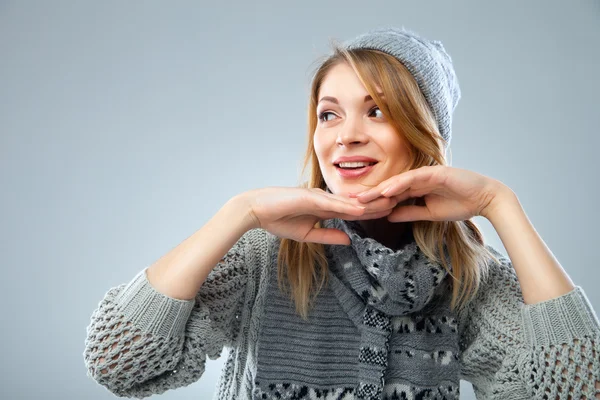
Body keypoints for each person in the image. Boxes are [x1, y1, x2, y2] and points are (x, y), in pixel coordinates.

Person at [83, 27, 600, 399]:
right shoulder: (265, 253)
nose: (346, 133)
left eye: (377, 110)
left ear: (423, 136)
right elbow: (116, 362)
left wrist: (499, 205)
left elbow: (579, 387)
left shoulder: (464, 275)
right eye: (329, 113)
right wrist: (236, 214)